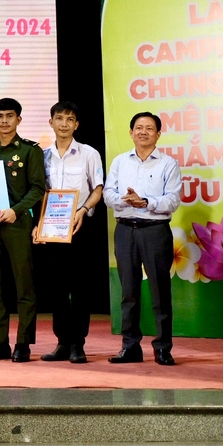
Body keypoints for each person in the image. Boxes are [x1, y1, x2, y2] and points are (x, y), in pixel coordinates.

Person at [103, 112, 181, 366]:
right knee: (129, 292)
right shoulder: (120, 162)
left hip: (155, 231)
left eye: (149, 128)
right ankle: (130, 347)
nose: (143, 132)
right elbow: (107, 194)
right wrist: (124, 200)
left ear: (158, 134)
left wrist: (146, 202)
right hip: (125, 230)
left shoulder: (168, 164)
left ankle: (163, 348)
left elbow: (173, 200)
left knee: (160, 291)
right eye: (138, 127)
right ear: (131, 132)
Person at [0, 98, 45, 362]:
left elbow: (38, 188)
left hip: (18, 225)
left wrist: (16, 209)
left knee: (23, 286)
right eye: (0, 116)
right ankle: (0, 342)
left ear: (19, 120)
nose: (4, 121)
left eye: (10, 116)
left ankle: (23, 343)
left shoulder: (30, 151)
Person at [34, 101, 104, 364]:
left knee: (81, 288)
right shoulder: (41, 156)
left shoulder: (89, 153)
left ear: (77, 125)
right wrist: (38, 223)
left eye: (70, 119)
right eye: (59, 118)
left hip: (79, 227)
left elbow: (98, 189)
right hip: (52, 230)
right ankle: (62, 342)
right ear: (51, 122)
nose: (64, 123)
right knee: (57, 289)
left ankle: (78, 343)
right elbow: (38, 193)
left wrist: (83, 210)